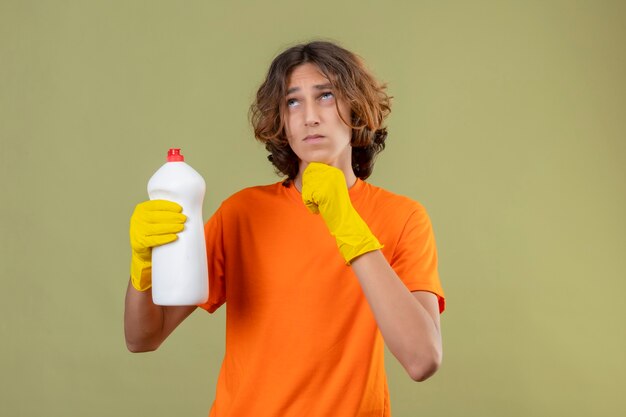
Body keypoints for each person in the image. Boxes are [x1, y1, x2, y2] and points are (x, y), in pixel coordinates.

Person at [125, 40, 445, 417]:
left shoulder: (403, 217)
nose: (309, 116)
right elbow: (143, 338)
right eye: (293, 102)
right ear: (282, 120)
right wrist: (144, 266)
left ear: (356, 108)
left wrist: (346, 223)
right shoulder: (242, 214)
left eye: (325, 96)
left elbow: (422, 359)